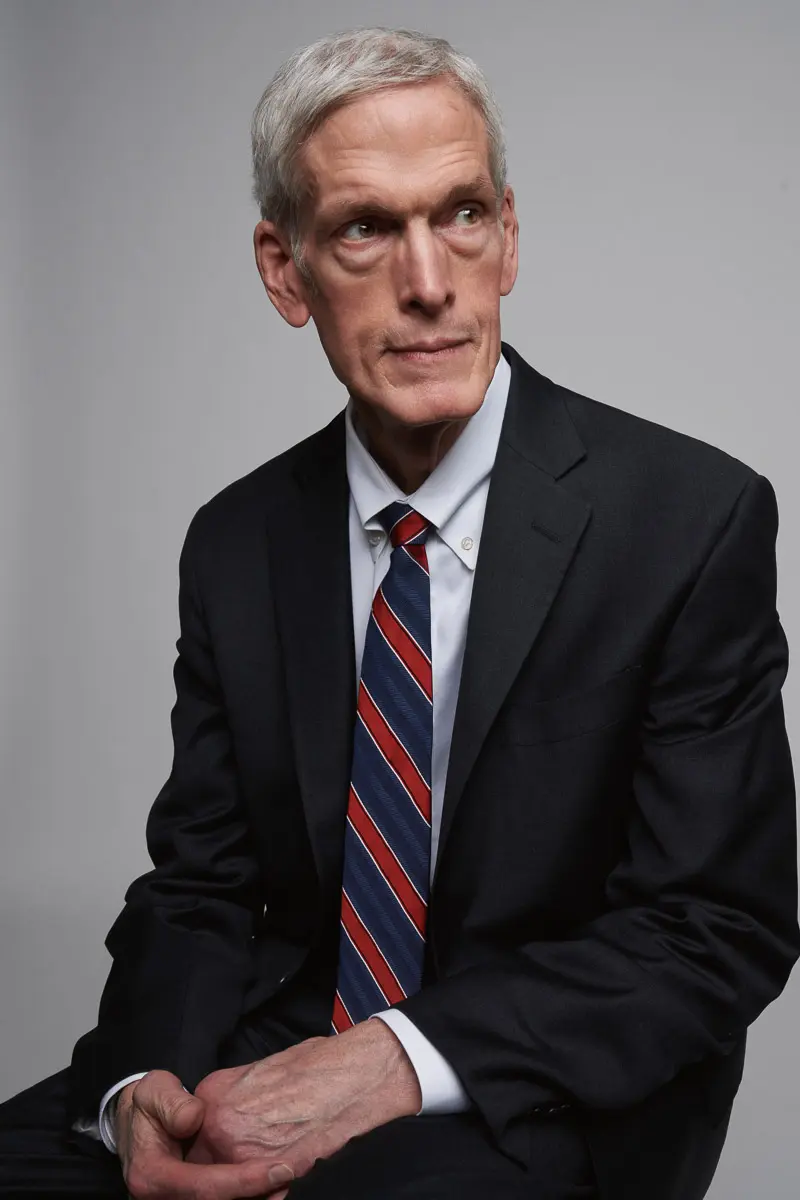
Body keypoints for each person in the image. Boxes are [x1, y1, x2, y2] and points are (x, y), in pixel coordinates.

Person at [0, 25, 797, 1200]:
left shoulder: (687, 521)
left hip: (535, 1085)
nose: (428, 284)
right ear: (284, 269)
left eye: (462, 215)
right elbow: (201, 885)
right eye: (366, 228)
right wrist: (143, 1089)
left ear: (508, 235)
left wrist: (387, 1062)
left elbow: (711, 927)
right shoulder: (236, 541)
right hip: (278, 1035)